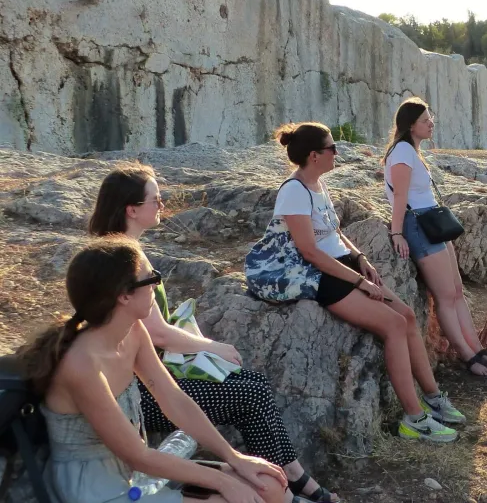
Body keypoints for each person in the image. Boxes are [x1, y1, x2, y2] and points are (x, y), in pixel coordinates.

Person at [88, 165, 338, 503]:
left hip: (150, 377)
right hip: (137, 394)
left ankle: (290, 477)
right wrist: (213, 346)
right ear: (132, 209)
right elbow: (157, 334)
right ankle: (291, 486)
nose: (162, 206)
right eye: (156, 200)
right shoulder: (122, 262)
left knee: (254, 385)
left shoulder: (124, 252)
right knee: (250, 397)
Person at [15, 237, 291, 503]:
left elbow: (173, 399)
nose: (158, 286)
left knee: (268, 487)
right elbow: (137, 455)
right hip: (97, 488)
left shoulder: (133, 332)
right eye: (152, 278)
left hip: (135, 474)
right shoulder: (83, 365)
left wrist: (234, 457)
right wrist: (222, 481)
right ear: (124, 296)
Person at [257, 121, 464, 443]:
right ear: (314, 156)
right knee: (393, 325)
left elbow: (335, 233)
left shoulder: (317, 185)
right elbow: (309, 251)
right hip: (317, 274)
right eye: (331, 148)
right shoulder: (293, 191)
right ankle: (413, 419)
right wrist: (358, 281)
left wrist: (360, 259)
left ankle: (434, 398)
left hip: (340, 265)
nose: (336, 152)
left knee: (406, 315)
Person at [382, 97, 487, 378]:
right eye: (425, 120)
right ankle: (467, 355)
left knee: (458, 291)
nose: (431, 123)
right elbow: (399, 197)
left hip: (431, 221)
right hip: (418, 225)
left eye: (430, 118)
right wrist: (397, 232)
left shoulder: (411, 150)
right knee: (446, 295)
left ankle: (477, 346)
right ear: (411, 126)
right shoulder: (401, 152)